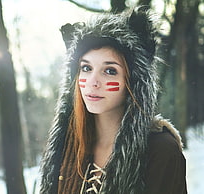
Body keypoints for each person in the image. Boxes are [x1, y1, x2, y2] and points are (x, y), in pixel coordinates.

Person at [39, 6, 187, 194]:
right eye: (86, 68)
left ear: (133, 81)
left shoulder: (161, 150)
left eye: (109, 70)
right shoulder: (67, 146)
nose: (93, 82)